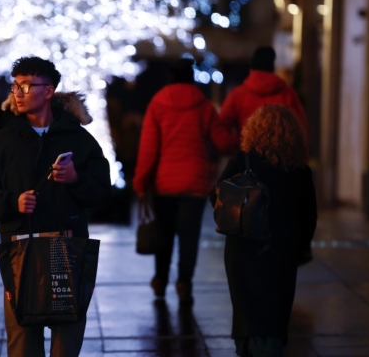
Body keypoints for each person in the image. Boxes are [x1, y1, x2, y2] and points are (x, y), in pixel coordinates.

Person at [0, 56, 111, 357]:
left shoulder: (79, 139)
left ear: (48, 91)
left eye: (27, 86)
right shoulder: (1, 142)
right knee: (22, 341)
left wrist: (75, 179)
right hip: (20, 248)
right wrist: (12, 202)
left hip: (68, 246)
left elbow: (101, 191)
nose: (18, 93)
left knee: (68, 338)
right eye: (15, 86)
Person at [212, 104, 317, 357]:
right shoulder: (299, 170)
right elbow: (308, 217)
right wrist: (299, 249)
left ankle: (245, 348)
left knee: (246, 312)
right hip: (280, 252)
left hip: (242, 250)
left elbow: (216, 196)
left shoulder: (242, 160)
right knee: (274, 315)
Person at [133, 59, 238, 305]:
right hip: (195, 182)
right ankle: (184, 284)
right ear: (190, 78)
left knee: (164, 234)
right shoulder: (203, 106)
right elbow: (221, 142)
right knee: (189, 237)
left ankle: (160, 280)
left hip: (163, 183)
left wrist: (140, 182)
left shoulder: (157, 105)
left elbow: (149, 149)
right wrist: (243, 136)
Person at [219, 46, 307, 134]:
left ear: (252, 69)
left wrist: (238, 143)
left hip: (246, 146)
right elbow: (301, 129)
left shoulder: (237, 95)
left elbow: (221, 130)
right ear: (273, 67)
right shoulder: (288, 95)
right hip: (280, 147)